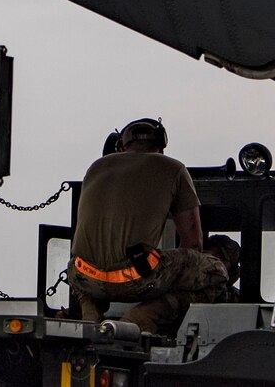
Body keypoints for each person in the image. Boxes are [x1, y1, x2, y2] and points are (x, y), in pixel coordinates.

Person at [67, 117, 229, 336]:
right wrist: (173, 283)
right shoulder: (173, 168)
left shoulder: (95, 168)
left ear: (122, 146)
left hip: (84, 277)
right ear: (160, 145)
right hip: (134, 277)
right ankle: (141, 318)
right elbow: (193, 243)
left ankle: (90, 315)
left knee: (78, 266)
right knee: (216, 272)